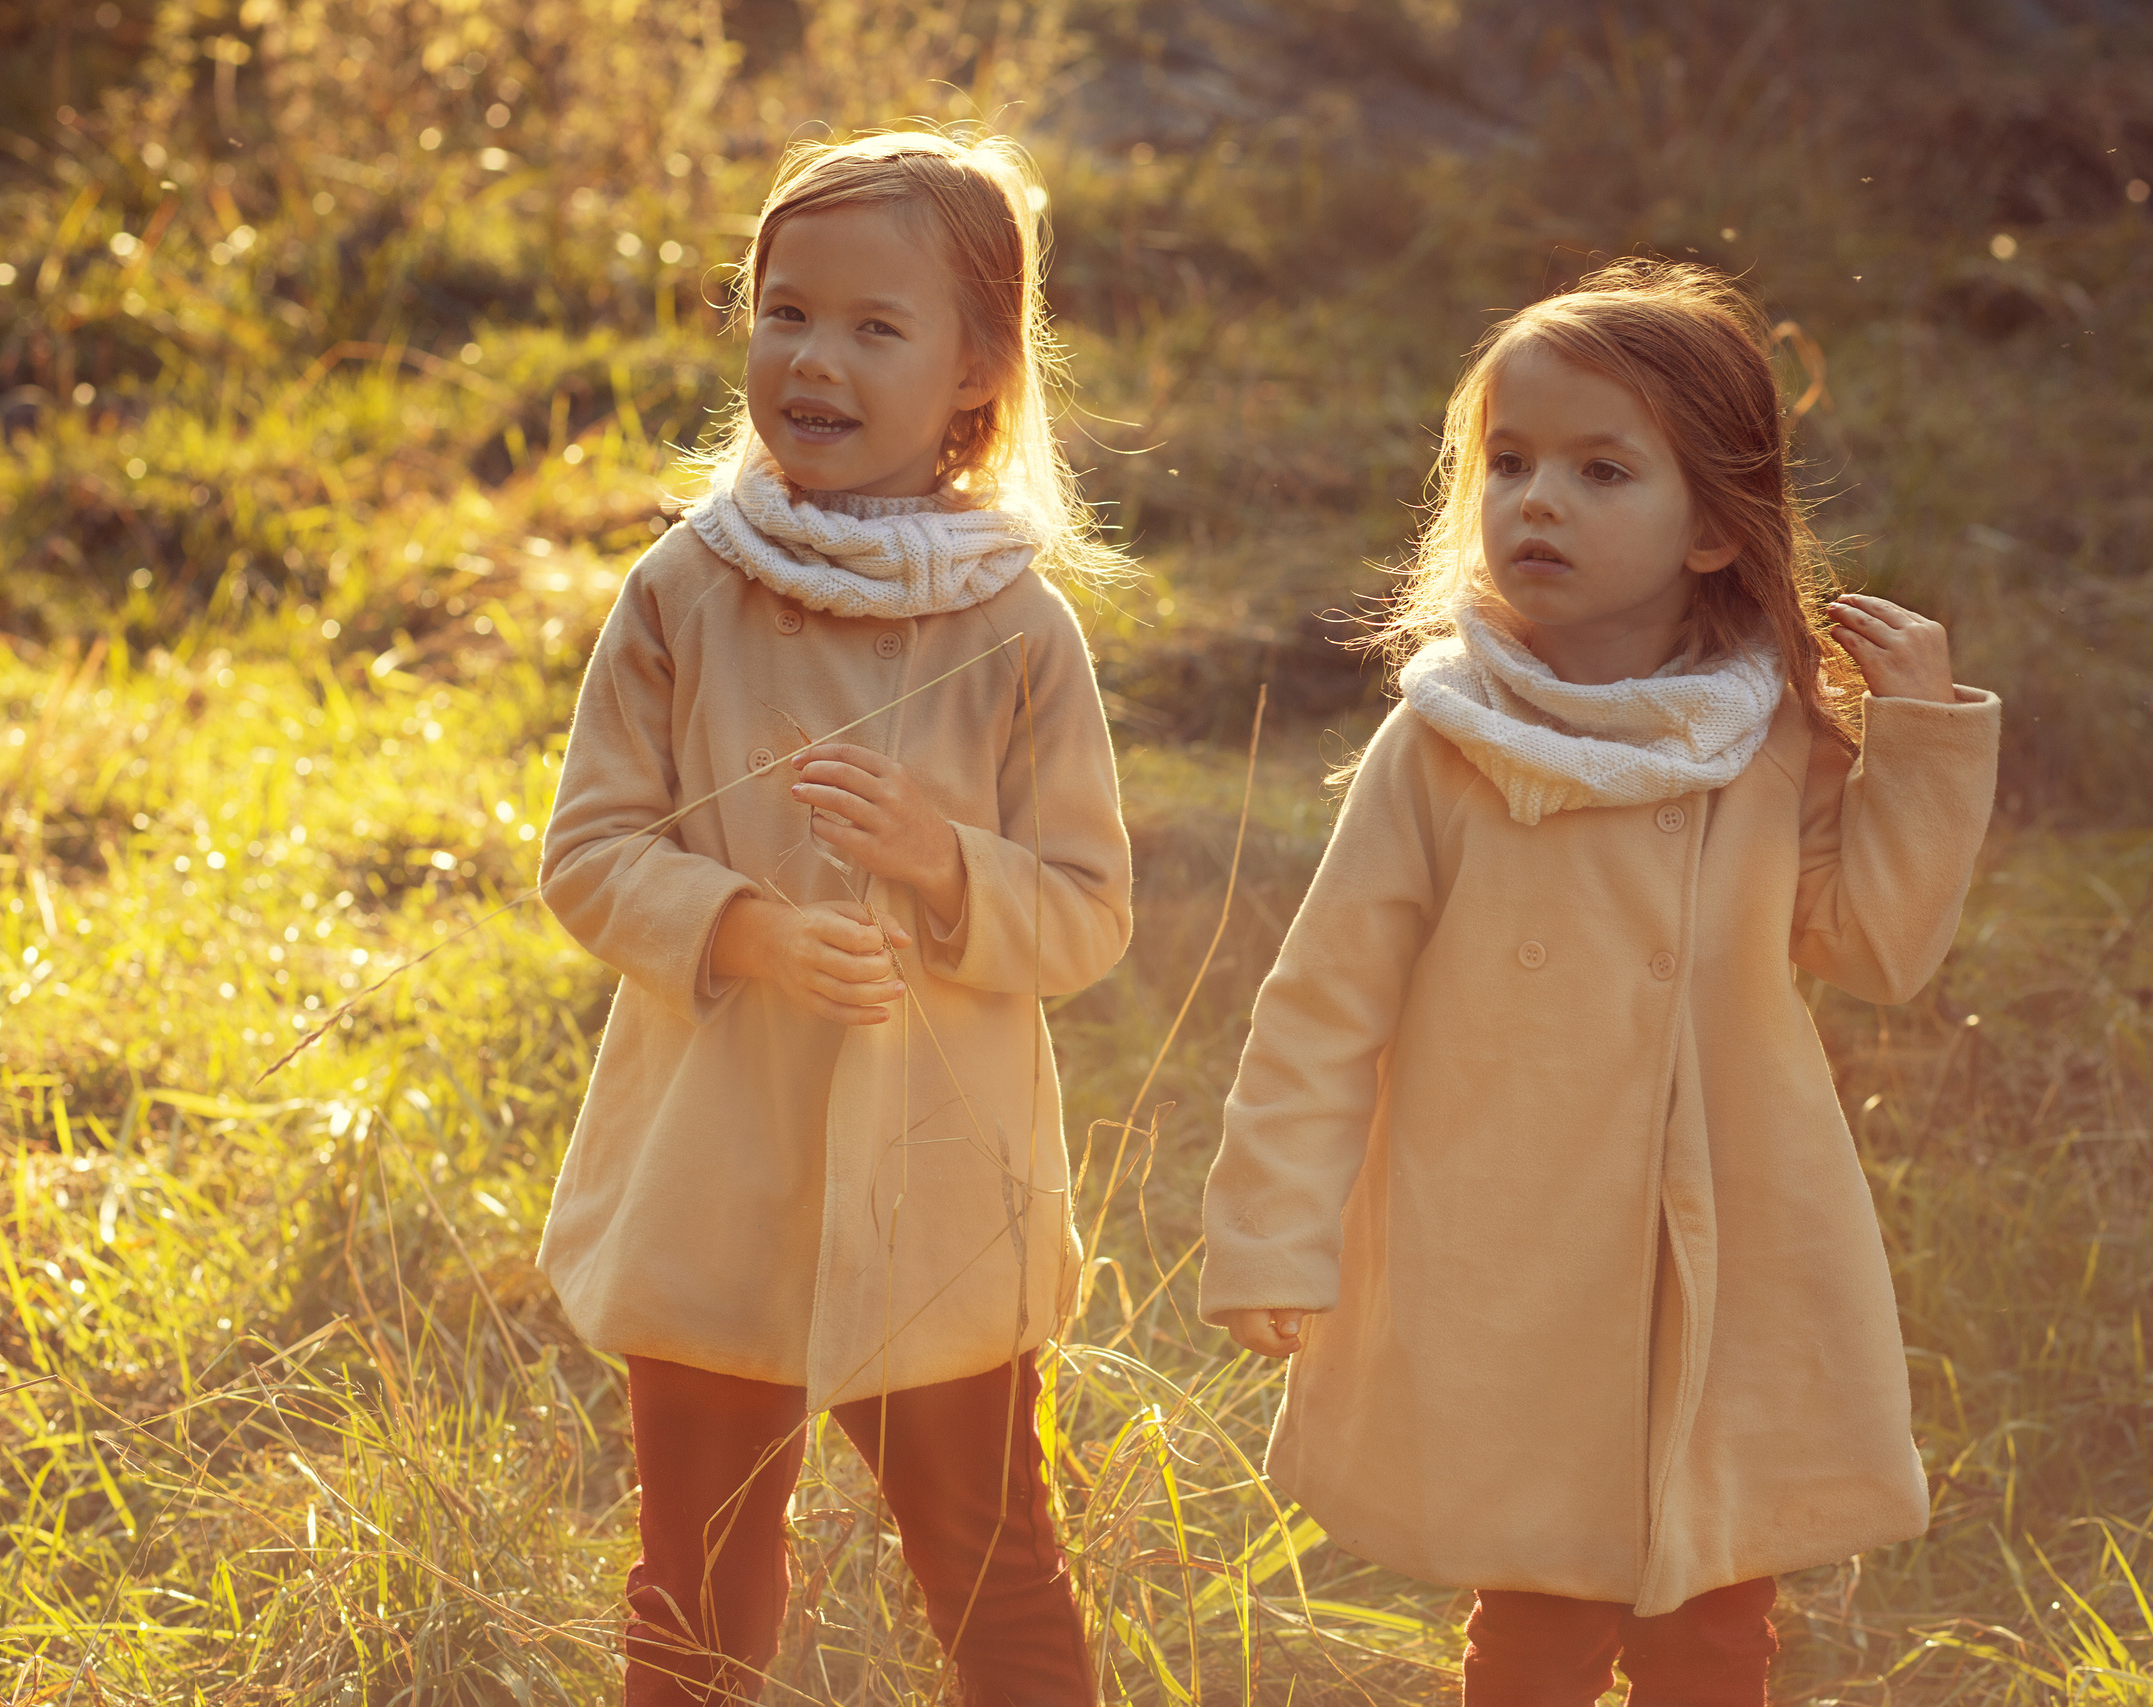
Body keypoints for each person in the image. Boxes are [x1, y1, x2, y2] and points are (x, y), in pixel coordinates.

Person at [1197, 259, 2001, 1707]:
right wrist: (1272, 1230)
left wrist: (1925, 735)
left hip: (1724, 1236)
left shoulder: (1769, 735)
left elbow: (1877, 946)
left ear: (1712, 529)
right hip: (1517, 1245)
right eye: (1509, 464)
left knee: (1710, 1618)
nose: (1540, 501)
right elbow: (1325, 1004)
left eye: (1600, 469)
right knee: (1542, 1617)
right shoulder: (1444, 741)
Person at [537, 130, 1130, 1706]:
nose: (815, 356)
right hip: (714, 1173)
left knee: (996, 1570)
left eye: (878, 328)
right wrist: (739, 927)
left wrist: (947, 865)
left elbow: (1084, 916)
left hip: (940, 1196)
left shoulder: (1018, 624)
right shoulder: (687, 587)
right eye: (785, 310)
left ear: (978, 377)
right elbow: (588, 849)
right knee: (697, 1578)